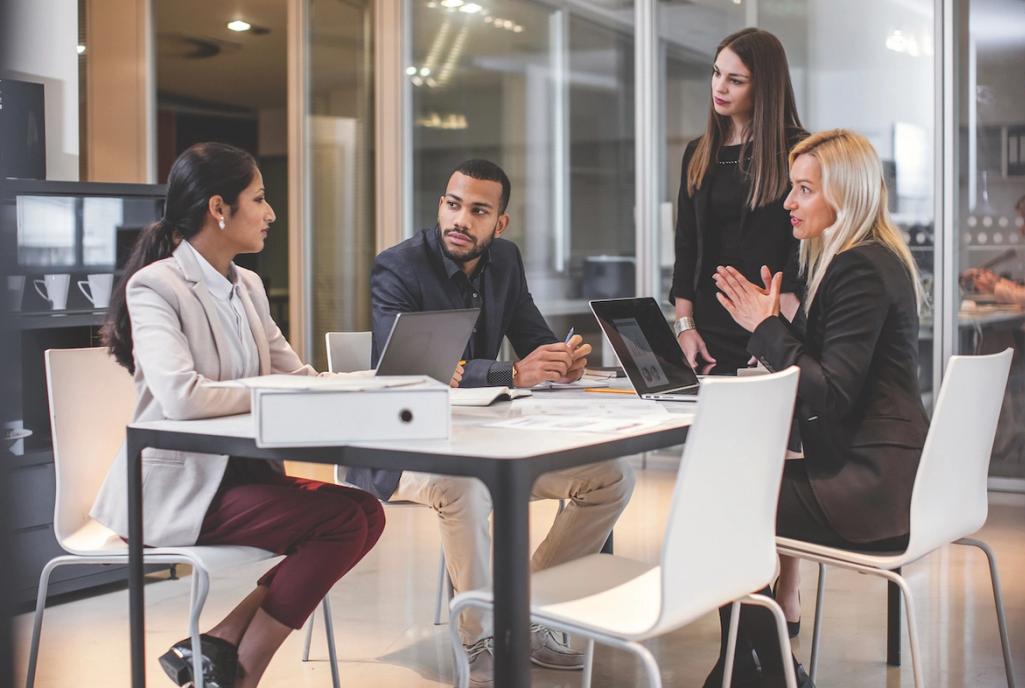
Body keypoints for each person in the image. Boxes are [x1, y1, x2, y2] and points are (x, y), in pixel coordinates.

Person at [91, 143, 386, 688]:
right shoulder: (156, 285)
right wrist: (269, 389)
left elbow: (294, 376)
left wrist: (372, 382)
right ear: (219, 208)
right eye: (260, 198)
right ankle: (241, 674)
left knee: (367, 512)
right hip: (178, 489)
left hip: (239, 475)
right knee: (341, 522)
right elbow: (182, 396)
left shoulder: (246, 285)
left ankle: (221, 644)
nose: (271, 213)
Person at [359, 159, 635, 687]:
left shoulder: (504, 261)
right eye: (452, 204)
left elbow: (532, 337)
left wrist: (560, 358)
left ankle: (527, 611)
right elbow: (420, 368)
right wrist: (512, 371)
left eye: (478, 210)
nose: (460, 219)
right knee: (462, 485)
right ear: (441, 204)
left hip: (488, 441)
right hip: (401, 449)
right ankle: (480, 635)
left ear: (499, 223)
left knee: (613, 475)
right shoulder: (397, 268)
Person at [711, 129, 930, 687]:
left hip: (871, 488)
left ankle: (768, 674)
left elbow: (830, 389)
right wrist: (775, 328)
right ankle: (746, 671)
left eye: (804, 190)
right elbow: (822, 370)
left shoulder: (858, 267)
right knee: (735, 494)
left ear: (846, 196)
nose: (788, 202)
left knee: (724, 507)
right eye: (792, 188)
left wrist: (765, 327)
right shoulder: (868, 260)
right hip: (889, 475)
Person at [669, 27, 808, 637]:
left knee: (775, 465)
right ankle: (742, 592)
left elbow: (806, 247)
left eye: (736, 78)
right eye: (716, 73)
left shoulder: (799, 152)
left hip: (771, 326)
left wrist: (777, 327)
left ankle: (788, 584)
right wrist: (685, 323)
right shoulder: (699, 152)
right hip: (712, 333)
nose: (719, 87)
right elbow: (686, 249)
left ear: (765, 85)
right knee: (727, 472)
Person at [966, 190, 1025, 461]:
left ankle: (1009, 435)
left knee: (997, 349)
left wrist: (998, 286)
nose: (1021, 227)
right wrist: (995, 285)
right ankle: (1007, 433)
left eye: (1024, 220)